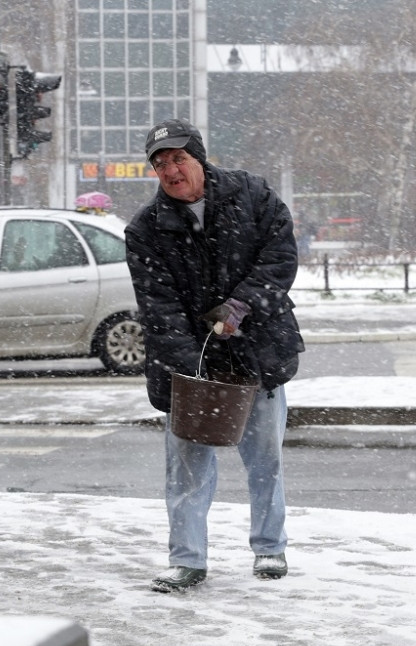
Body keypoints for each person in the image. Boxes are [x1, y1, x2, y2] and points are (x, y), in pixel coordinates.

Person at [125, 119, 305, 592]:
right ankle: (187, 560)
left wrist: (240, 306)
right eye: (160, 164)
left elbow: (280, 257)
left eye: (178, 159)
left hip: (258, 349)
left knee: (264, 457)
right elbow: (157, 305)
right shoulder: (146, 229)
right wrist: (193, 365)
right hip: (188, 364)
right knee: (186, 466)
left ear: (199, 158)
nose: (170, 170)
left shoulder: (252, 195)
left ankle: (270, 548)